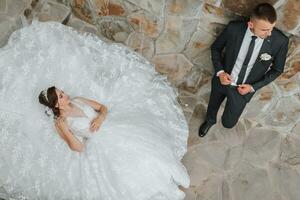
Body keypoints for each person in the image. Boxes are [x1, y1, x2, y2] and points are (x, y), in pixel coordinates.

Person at [0, 20, 189, 199]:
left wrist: (100, 119)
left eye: (62, 92)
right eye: (61, 96)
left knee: (148, 151)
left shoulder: (79, 100)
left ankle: (171, 176)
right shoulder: (61, 123)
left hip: (113, 127)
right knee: (130, 171)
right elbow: (78, 147)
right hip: (99, 144)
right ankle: (164, 190)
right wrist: (74, 133)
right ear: (56, 105)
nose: (65, 94)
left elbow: (103, 108)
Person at [198, 3, 289, 137]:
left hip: (243, 90)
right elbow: (216, 49)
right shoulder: (234, 29)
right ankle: (210, 121)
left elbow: (277, 70)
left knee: (228, 123)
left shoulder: (280, 41)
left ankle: (227, 120)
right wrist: (220, 73)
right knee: (213, 104)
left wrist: (253, 87)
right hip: (222, 81)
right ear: (251, 25)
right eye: (264, 30)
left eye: (271, 28)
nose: (269, 33)